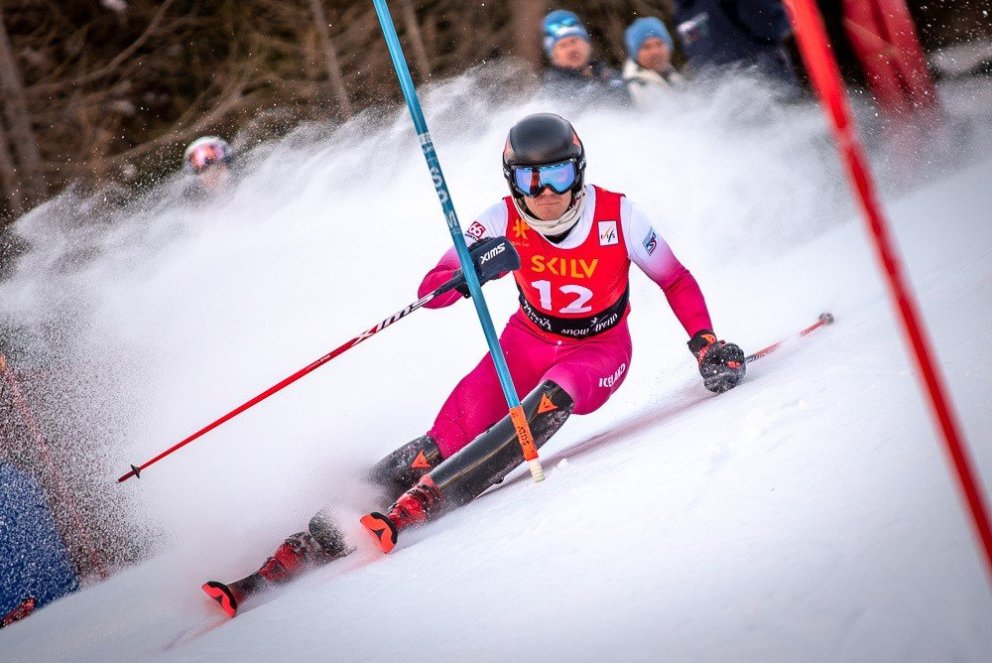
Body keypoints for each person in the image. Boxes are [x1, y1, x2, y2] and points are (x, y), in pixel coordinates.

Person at [203, 113, 746, 618]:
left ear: (577, 170)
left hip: (598, 351)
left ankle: (417, 507)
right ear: (514, 181)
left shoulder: (619, 214)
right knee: (438, 442)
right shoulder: (499, 220)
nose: (548, 193)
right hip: (524, 342)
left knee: (554, 394)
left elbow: (674, 278)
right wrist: (466, 272)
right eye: (532, 180)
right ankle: (298, 546)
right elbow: (429, 290)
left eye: (558, 175)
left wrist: (705, 344)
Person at [673, 0, 798, 88]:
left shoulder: (681, 12)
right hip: (763, 84)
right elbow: (769, 25)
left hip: (723, 97)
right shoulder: (682, 12)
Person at [541, 9, 630, 105]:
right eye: (563, 46)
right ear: (554, 55)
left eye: (574, 41)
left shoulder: (611, 76)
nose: (571, 49)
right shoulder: (552, 92)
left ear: (587, 44)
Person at [623, 16, 686, 106]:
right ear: (635, 55)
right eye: (646, 47)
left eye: (659, 44)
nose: (655, 52)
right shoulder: (629, 92)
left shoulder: (677, 79)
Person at [181, 135, 234, 200]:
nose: (213, 173)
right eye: (205, 171)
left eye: (218, 168)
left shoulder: (246, 187)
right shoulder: (195, 206)